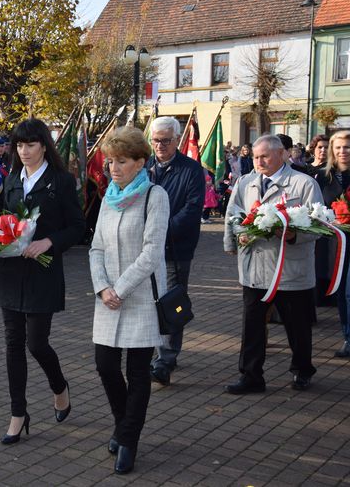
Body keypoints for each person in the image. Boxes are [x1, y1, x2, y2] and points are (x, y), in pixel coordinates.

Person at [0, 118, 85, 446]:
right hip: (12, 272)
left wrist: (49, 243)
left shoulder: (61, 181)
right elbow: (3, 220)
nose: (24, 151)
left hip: (43, 271)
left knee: (36, 343)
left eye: (30, 144)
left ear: (44, 145)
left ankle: (59, 387)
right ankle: (18, 413)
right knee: (12, 343)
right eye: (19, 145)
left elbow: (77, 227)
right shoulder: (13, 180)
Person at [90, 126, 170, 475]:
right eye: (110, 161)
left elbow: (152, 252)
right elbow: (95, 248)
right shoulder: (108, 198)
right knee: (105, 365)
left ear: (140, 162)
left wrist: (119, 289)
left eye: (121, 161)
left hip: (139, 298)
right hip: (107, 297)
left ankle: (129, 439)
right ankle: (123, 426)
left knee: (138, 373)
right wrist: (103, 287)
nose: (113, 168)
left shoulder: (155, 196)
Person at [224, 135, 321, 393]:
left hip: (290, 270)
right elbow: (233, 215)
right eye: (256, 156)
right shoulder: (245, 182)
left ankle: (302, 370)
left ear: (282, 155)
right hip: (255, 268)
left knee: (297, 326)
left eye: (264, 156)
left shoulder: (303, 184)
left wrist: (294, 235)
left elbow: (320, 225)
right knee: (252, 326)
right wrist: (235, 238)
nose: (259, 161)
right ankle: (251, 376)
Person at [146, 116, 205, 386]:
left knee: (171, 303)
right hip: (145, 249)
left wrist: (160, 231)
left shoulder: (191, 170)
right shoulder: (144, 166)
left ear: (178, 140)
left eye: (165, 140)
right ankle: (150, 352)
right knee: (148, 303)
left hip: (175, 248)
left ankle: (165, 360)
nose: (159, 145)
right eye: (156, 140)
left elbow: (192, 210)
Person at [316, 131, 350, 357]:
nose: (342, 152)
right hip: (336, 243)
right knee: (341, 291)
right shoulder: (322, 177)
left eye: (347, 147)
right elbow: (316, 208)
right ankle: (347, 336)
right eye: (338, 147)